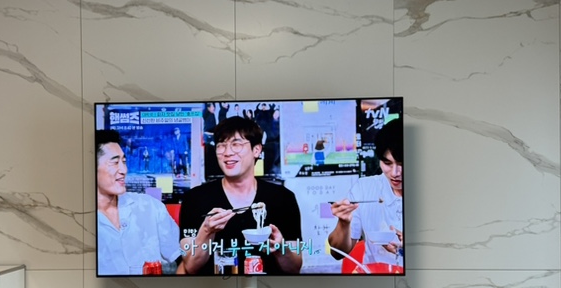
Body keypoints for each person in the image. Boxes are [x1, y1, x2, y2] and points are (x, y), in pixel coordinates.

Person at [178, 116, 303, 275]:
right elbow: (190, 266)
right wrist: (207, 231)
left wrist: (280, 248)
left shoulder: (283, 198)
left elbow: (294, 267)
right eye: (221, 145)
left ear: (256, 150)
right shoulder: (195, 199)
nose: (227, 152)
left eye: (236, 144)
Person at [96, 129, 182, 275]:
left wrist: (196, 242)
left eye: (124, 161)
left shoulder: (150, 207)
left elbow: (182, 255)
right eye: (115, 162)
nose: (124, 170)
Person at [327, 119, 404, 270]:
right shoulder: (364, 189)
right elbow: (337, 253)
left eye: (402, 164)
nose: (395, 173)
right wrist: (343, 223)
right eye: (387, 163)